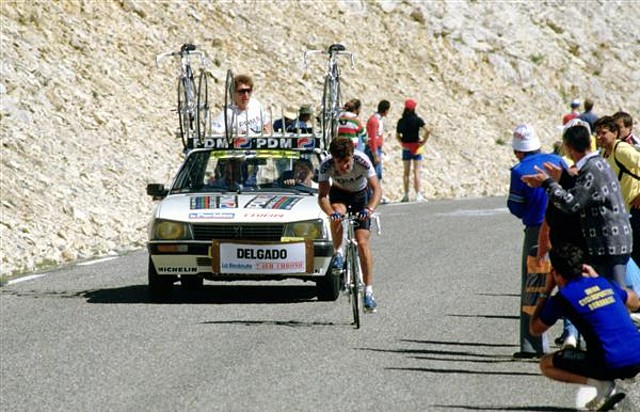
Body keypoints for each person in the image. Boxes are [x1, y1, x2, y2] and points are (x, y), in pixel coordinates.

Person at [530, 243, 640, 412]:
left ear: (556, 273)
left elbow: (535, 329)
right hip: (637, 356)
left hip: (609, 362)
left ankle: (600, 383)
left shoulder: (563, 298)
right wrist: (599, 281)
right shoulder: (602, 282)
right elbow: (635, 303)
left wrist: (546, 292)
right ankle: (606, 385)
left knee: (546, 364)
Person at [522, 124, 632, 288]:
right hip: (607, 243)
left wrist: (547, 183)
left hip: (609, 243)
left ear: (568, 147)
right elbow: (584, 193)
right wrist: (562, 177)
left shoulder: (591, 169)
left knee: (615, 295)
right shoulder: (596, 163)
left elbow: (571, 203)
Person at [508, 123, 567, 359]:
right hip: (565, 228)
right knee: (569, 281)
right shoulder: (558, 161)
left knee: (534, 284)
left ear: (517, 150)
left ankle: (532, 344)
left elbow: (515, 206)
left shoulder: (519, 170)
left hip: (536, 230)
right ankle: (576, 338)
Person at [317, 136, 381, 312]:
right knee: (337, 212)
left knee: (362, 243)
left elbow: (377, 190)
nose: (344, 167)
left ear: (352, 156)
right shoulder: (326, 165)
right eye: (339, 162)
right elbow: (323, 196)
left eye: (347, 162)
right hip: (339, 194)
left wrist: (369, 209)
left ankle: (368, 292)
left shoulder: (362, 160)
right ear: (333, 159)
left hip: (361, 197)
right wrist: (330, 213)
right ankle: (338, 253)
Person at [593, 115, 640, 268]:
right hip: (622, 214)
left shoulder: (621, 150)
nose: (599, 137)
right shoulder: (603, 154)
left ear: (615, 133)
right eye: (597, 133)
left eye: (603, 132)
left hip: (635, 211)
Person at [396, 99, 431, 203]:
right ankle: (418, 195)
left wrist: (401, 142)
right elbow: (428, 130)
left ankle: (406, 195)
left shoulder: (401, 121)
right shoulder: (417, 119)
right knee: (416, 172)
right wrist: (424, 141)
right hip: (416, 147)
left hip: (406, 147)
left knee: (406, 173)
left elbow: (397, 135)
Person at [366, 100, 391, 204]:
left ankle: (377, 195)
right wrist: (375, 153)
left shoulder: (378, 120)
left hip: (378, 149)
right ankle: (374, 197)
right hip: (373, 150)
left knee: (378, 174)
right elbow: (372, 138)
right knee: (375, 174)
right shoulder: (374, 120)